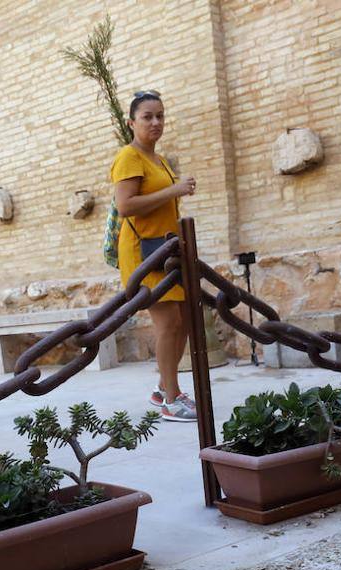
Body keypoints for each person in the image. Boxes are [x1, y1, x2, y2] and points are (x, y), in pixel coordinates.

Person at [111, 90, 199, 422]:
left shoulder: (157, 159)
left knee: (186, 321)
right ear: (131, 122)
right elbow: (125, 206)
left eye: (160, 115)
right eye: (148, 117)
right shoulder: (129, 156)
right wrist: (174, 190)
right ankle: (171, 400)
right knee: (168, 322)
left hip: (166, 250)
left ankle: (164, 387)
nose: (156, 122)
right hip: (144, 254)